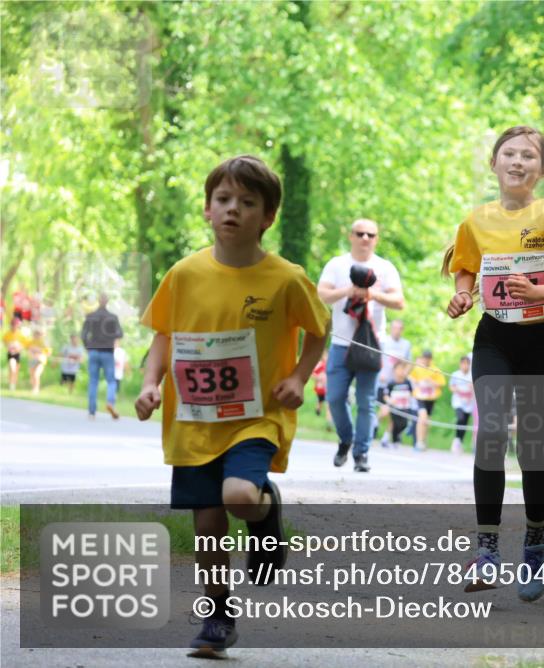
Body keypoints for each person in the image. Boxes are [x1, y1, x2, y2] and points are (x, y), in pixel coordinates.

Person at [133, 155, 330, 658]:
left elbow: (318, 332)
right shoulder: (185, 273)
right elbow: (163, 334)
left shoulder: (285, 278)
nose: (232, 210)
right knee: (207, 526)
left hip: (256, 416)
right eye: (223, 200)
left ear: (267, 217)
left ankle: (265, 512)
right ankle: (218, 616)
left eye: (247, 202)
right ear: (206, 209)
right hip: (194, 422)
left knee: (240, 496)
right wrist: (150, 384)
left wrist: (297, 377)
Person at [445, 125, 544, 602]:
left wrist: (539, 292)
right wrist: (462, 295)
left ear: (543, 168)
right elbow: (465, 266)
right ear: (494, 163)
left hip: (541, 341)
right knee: (491, 431)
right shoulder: (476, 220)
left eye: (528, 156)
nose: (517, 162)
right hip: (494, 339)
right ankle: (487, 548)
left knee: (532, 447)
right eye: (508, 154)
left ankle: (534, 540)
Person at [317, 218, 404, 473]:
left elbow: (399, 301)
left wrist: (372, 294)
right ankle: (346, 439)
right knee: (334, 397)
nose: (365, 238)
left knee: (366, 402)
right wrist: (348, 291)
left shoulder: (385, 268)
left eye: (371, 234)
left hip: (371, 345)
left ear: (376, 238)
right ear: (351, 236)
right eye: (360, 233)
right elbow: (321, 293)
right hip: (341, 344)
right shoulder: (337, 264)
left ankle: (362, 453)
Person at [82, 293, 124, 420]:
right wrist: (110, 337)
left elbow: (83, 335)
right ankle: (110, 403)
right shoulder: (112, 317)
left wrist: (87, 347)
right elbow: (120, 333)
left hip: (93, 351)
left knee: (93, 381)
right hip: (107, 351)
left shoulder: (91, 316)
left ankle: (92, 412)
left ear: (98, 301)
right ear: (107, 301)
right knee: (111, 381)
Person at [375, 319, 413, 441]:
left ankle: (388, 437)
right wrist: (379, 372)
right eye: (395, 328)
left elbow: (409, 362)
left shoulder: (406, 344)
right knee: (385, 410)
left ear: (402, 330)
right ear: (391, 328)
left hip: (398, 385)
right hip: (384, 382)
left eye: (399, 328)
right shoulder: (383, 341)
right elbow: (376, 357)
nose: (397, 331)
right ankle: (373, 425)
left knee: (393, 411)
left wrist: (404, 374)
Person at [410, 349, 446, 452]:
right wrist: (418, 382)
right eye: (424, 358)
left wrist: (431, 382)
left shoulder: (435, 370)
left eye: (428, 358)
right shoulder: (417, 368)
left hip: (431, 398)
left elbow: (442, 383)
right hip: (420, 396)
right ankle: (418, 442)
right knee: (422, 416)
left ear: (431, 359)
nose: (426, 360)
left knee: (426, 420)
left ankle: (423, 441)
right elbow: (411, 378)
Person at [384, 360, 418, 447]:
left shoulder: (407, 382)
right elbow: (386, 395)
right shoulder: (391, 383)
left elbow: (412, 392)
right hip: (395, 407)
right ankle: (394, 441)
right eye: (399, 369)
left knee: (404, 424)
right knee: (395, 423)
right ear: (394, 370)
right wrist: (390, 401)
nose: (401, 372)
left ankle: (399, 435)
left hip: (405, 407)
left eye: (403, 369)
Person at [449, 354, 475, 454]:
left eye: (467, 364)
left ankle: (460, 441)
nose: (465, 366)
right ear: (460, 364)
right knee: (460, 418)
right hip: (458, 401)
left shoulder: (472, 375)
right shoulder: (455, 374)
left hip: (469, 403)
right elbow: (451, 387)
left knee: (465, 422)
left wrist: (471, 386)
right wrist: (459, 390)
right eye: (463, 364)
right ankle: (456, 440)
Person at [4, 318, 28, 391]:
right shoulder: (8, 334)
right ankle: (11, 384)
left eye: (16, 325)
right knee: (12, 367)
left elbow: (24, 345)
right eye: (13, 325)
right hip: (11, 354)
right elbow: (5, 343)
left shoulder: (20, 335)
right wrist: (10, 347)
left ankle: (13, 384)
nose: (14, 326)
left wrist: (18, 348)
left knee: (15, 370)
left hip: (17, 354)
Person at [26, 328, 51, 395]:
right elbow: (29, 351)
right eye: (36, 334)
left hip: (40, 360)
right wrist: (33, 352)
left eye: (39, 334)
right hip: (32, 360)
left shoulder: (44, 343)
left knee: (36, 374)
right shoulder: (31, 342)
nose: (37, 336)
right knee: (32, 375)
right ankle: (33, 388)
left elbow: (48, 353)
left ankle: (36, 389)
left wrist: (38, 350)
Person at [311, 351, 331, 427]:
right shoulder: (319, 364)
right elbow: (312, 374)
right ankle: (318, 411)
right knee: (320, 402)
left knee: (328, 405)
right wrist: (318, 378)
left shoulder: (329, 365)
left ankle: (329, 422)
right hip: (320, 389)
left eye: (328, 356)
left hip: (328, 389)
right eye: (325, 356)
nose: (327, 358)